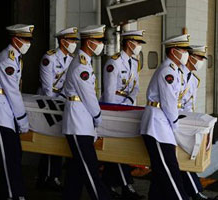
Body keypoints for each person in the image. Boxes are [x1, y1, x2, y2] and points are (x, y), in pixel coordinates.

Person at [0, 24, 34, 200]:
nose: (28, 43)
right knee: (8, 158)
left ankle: (5, 194)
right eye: (26, 39)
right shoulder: (7, 60)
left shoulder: (15, 58)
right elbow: (12, 93)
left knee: (14, 154)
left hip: (5, 112)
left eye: (29, 39)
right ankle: (15, 195)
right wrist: (22, 120)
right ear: (15, 39)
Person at [61, 24, 110, 200]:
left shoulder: (85, 62)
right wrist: (97, 117)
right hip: (78, 124)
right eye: (99, 41)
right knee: (90, 170)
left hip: (81, 123)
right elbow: (89, 97)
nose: (101, 44)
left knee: (77, 170)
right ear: (89, 42)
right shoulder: (81, 66)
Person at [140, 34, 191, 200]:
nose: (186, 54)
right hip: (157, 126)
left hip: (162, 124)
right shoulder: (167, 71)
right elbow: (169, 102)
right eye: (183, 50)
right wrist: (175, 125)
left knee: (160, 172)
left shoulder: (173, 70)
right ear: (173, 51)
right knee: (170, 173)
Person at [100, 30, 145, 200]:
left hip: (126, 110)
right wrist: (113, 112)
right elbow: (109, 92)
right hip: (113, 112)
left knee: (118, 150)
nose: (139, 46)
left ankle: (109, 184)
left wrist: (129, 105)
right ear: (129, 43)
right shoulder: (114, 62)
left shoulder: (134, 62)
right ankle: (126, 187)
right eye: (138, 43)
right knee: (117, 150)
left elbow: (136, 88)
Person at [36, 27, 79, 191]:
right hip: (49, 102)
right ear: (63, 41)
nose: (74, 44)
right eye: (72, 40)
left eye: (75, 41)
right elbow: (47, 88)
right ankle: (46, 177)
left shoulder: (71, 59)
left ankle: (52, 176)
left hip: (63, 102)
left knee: (58, 140)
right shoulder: (50, 58)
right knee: (49, 140)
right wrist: (54, 104)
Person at [178, 45, 218, 200]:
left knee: (186, 159)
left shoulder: (194, 79)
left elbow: (189, 105)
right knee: (185, 158)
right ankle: (196, 194)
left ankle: (195, 194)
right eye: (199, 58)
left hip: (185, 123)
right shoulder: (178, 74)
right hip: (174, 122)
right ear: (190, 57)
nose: (201, 62)